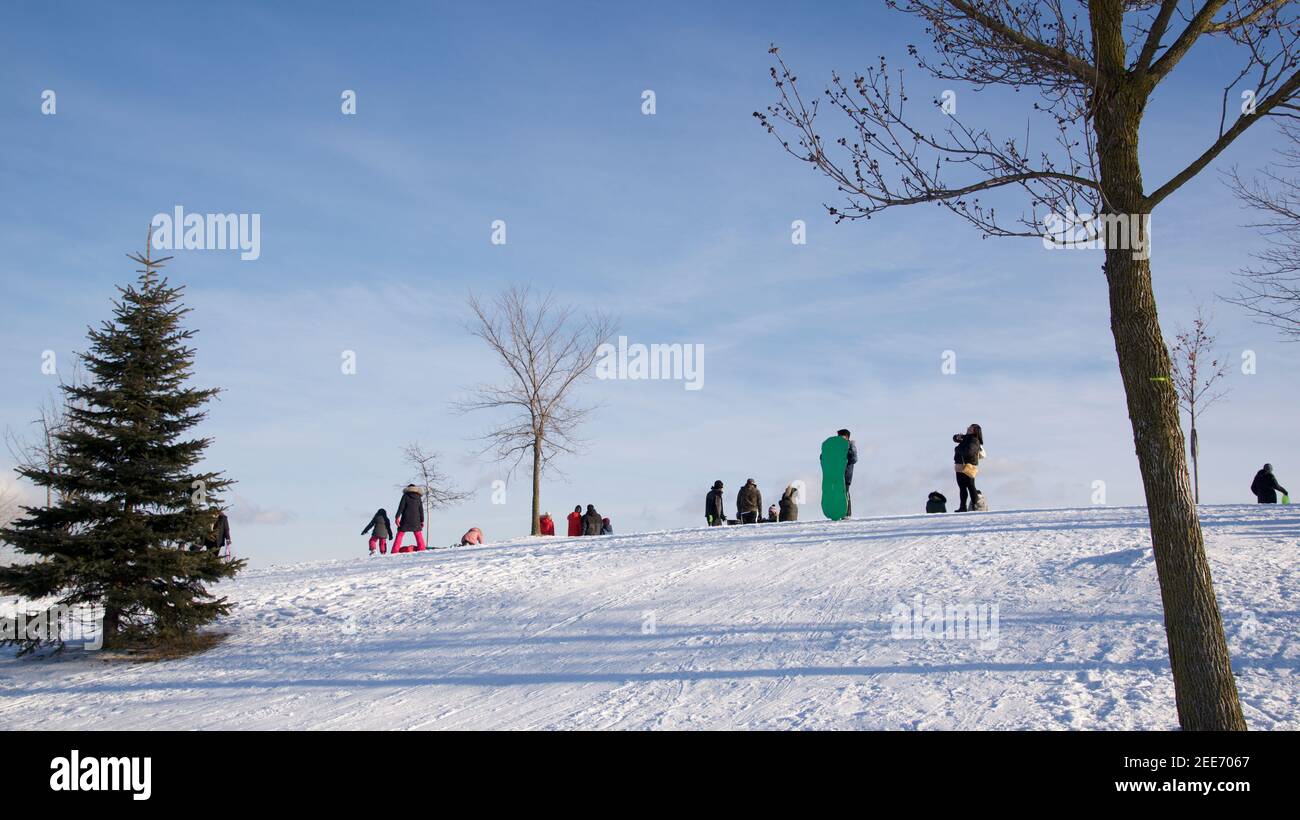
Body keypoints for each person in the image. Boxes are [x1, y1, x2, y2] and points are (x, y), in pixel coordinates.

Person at [952, 424, 984, 512]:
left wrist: (957, 449)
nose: (968, 429)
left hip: (969, 466)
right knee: (962, 487)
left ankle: (975, 505)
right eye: (968, 428)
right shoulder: (966, 438)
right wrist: (957, 437)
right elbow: (954, 438)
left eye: (970, 428)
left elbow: (969, 452)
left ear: (974, 431)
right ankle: (963, 507)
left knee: (971, 486)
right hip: (959, 466)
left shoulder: (974, 440)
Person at [392, 484, 427, 552]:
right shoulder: (418, 497)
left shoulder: (405, 496)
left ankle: (395, 550)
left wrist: (397, 517)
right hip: (416, 520)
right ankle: (422, 549)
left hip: (405, 519)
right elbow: (421, 510)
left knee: (400, 534)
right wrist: (422, 521)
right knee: (418, 534)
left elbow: (401, 508)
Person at [838, 429, 859, 517]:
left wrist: (852, 446)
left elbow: (854, 459)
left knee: (845, 493)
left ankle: (847, 513)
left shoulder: (850, 447)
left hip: (846, 475)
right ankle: (839, 512)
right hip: (837, 475)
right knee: (837, 493)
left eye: (841, 437)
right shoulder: (837, 448)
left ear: (846, 437)